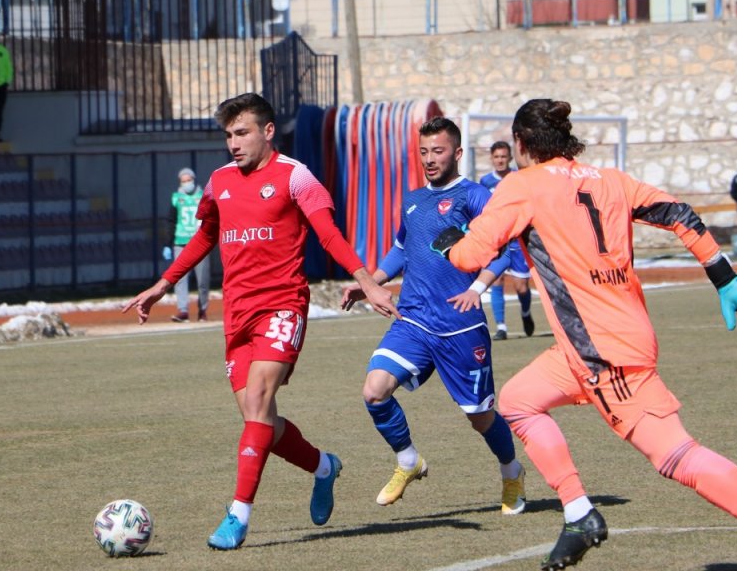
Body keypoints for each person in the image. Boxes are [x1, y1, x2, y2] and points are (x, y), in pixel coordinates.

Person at [437, 99, 737, 571]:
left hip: (602, 353)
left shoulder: (522, 185)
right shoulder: (611, 180)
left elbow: (471, 256)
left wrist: (450, 245)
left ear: (520, 144)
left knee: (675, 456)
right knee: (516, 401)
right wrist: (725, 278)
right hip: (599, 342)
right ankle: (578, 513)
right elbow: (681, 213)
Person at [122, 93, 397, 551]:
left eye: (242, 132)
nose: (233, 143)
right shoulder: (219, 181)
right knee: (258, 418)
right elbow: (206, 234)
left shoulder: (296, 177)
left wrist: (366, 280)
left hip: (282, 305)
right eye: (228, 134)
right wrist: (163, 284)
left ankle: (238, 515)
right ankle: (324, 466)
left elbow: (328, 232)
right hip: (237, 313)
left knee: (258, 399)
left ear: (268, 132)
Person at [340, 118, 526, 516]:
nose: (429, 159)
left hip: (461, 325)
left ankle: (511, 471)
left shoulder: (475, 197)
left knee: (480, 417)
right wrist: (372, 282)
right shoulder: (413, 200)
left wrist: (475, 289)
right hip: (415, 319)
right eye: (423, 151)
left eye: (438, 151)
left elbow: (505, 250)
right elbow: (401, 250)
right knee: (374, 390)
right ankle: (408, 461)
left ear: (457, 153)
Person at [478, 140, 536, 340]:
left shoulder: (518, 178)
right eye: (496, 157)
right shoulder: (485, 182)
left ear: (510, 158)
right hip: (497, 239)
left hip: (518, 239)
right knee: (496, 279)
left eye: (503, 156)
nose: (500, 160)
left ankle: (526, 312)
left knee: (521, 286)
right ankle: (501, 327)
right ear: (492, 159)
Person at [169, 167, 210, 322]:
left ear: (194, 179)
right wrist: (168, 243)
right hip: (180, 242)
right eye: (183, 181)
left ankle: (202, 310)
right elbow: (171, 220)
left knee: (202, 280)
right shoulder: (176, 197)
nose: (187, 183)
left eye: (189, 180)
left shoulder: (203, 196)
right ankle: (183, 311)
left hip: (200, 243)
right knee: (179, 278)